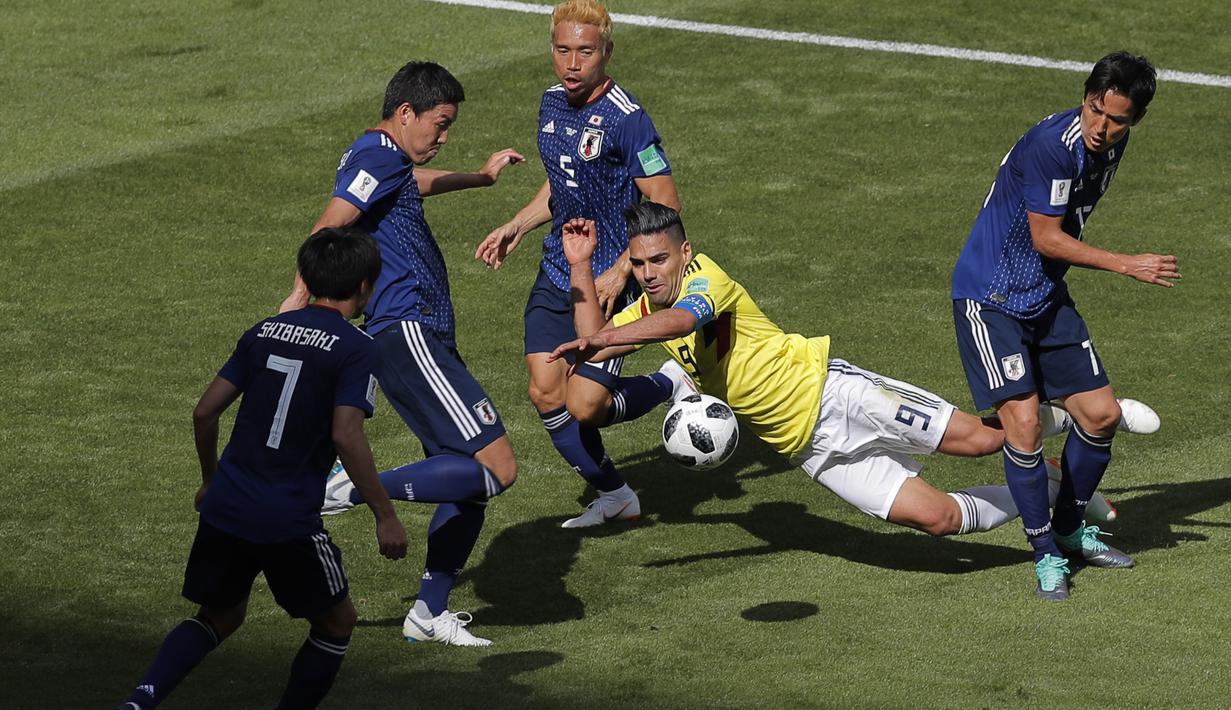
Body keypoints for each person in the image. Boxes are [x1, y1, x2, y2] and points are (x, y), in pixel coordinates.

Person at [549, 203, 1134, 552]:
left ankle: (1068, 420)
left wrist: (602, 337)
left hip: (837, 392)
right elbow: (588, 392)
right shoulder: (640, 312)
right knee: (939, 520)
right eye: (640, 263)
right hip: (811, 450)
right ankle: (1054, 484)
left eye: (659, 261)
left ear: (684, 253)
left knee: (984, 441)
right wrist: (580, 267)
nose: (649, 274)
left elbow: (679, 319)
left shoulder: (707, 280)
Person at [283, 61, 522, 646]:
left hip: (422, 334)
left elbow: (408, 185)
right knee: (498, 467)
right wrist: (297, 299)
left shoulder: (382, 157)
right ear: (406, 113)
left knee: (464, 481)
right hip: (406, 328)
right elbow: (327, 230)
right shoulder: (378, 156)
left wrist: (479, 179)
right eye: (439, 125)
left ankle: (428, 613)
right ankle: (352, 486)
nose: (444, 137)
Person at [116, 229, 406, 710]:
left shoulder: (264, 330)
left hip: (228, 504)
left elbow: (204, 411)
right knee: (337, 622)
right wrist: (385, 514)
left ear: (308, 279)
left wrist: (210, 481)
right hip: (286, 517)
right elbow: (346, 435)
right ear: (364, 286)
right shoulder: (358, 348)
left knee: (218, 615)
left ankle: (138, 703)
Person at [951, 51, 1176, 599]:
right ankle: (1046, 551)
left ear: (1134, 120)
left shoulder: (1112, 144)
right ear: (1086, 98)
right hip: (991, 298)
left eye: (1116, 118)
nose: (1102, 126)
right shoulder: (1057, 146)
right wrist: (1129, 263)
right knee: (1023, 427)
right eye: (1095, 110)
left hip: (1044, 293)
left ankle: (1073, 527)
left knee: (1100, 415)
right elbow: (1047, 237)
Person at [475, 0, 681, 528]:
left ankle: (669, 383)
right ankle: (616, 494)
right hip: (560, 266)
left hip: (612, 281)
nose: (572, 63)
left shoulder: (628, 120)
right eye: (563, 50)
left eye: (585, 52)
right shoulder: (550, 104)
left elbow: (665, 204)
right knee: (545, 389)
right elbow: (563, 181)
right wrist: (517, 225)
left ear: (605, 52)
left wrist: (623, 269)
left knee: (584, 403)